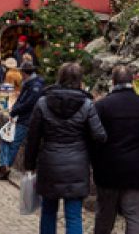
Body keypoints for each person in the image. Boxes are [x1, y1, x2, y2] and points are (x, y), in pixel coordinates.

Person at [24, 62, 107, 234]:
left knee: (48, 212)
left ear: (60, 78)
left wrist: (29, 164)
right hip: (76, 165)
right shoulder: (86, 104)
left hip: (49, 163)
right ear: (79, 80)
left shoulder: (43, 103)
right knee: (74, 216)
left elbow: (32, 137)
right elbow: (99, 135)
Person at [92, 66, 139, 234]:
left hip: (107, 171)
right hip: (137, 170)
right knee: (134, 215)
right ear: (133, 81)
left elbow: (92, 139)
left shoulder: (102, 106)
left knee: (104, 216)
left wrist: (96, 163)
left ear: (113, 82)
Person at [0, 61, 44, 180]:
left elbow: (28, 104)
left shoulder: (34, 86)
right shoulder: (31, 83)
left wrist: (15, 111)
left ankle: (4, 168)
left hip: (26, 120)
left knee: (11, 142)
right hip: (23, 118)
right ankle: (4, 167)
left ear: (24, 73)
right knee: (7, 140)